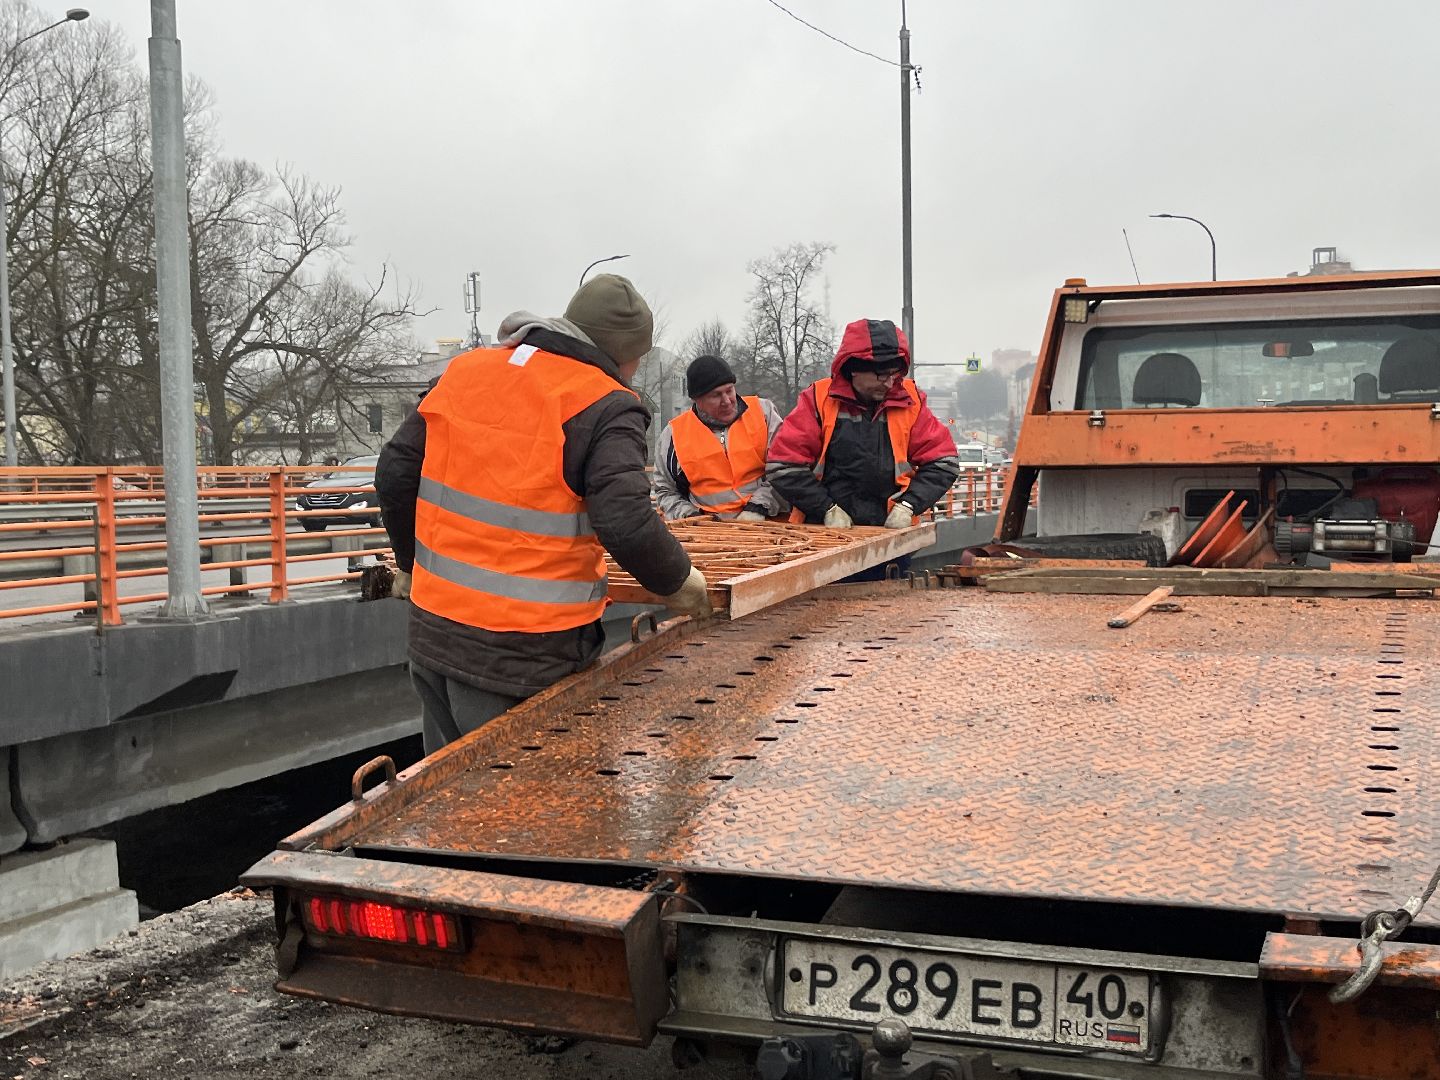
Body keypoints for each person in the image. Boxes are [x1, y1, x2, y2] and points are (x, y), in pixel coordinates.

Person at [375, 273, 712, 755]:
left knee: (446, 807)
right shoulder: (606, 403)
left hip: (433, 636)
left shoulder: (467, 371)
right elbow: (624, 519)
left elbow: (394, 473)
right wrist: (678, 581)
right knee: (524, 819)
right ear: (624, 353)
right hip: (525, 658)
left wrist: (410, 565)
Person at [766, 318, 959, 576]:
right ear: (854, 369)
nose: (890, 383)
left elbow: (944, 462)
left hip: (890, 539)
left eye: (895, 374)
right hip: (823, 541)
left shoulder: (910, 401)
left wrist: (908, 505)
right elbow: (783, 466)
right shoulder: (818, 400)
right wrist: (826, 509)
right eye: (882, 375)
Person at [652, 355, 786, 522]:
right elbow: (666, 491)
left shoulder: (763, 413)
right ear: (697, 400)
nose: (727, 401)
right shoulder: (674, 435)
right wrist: (692, 518)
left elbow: (785, 469)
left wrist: (759, 507)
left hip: (772, 523)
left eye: (729, 390)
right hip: (710, 534)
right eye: (716, 395)